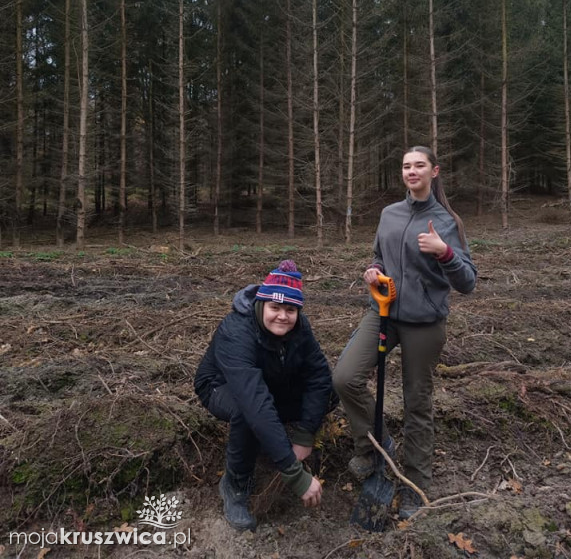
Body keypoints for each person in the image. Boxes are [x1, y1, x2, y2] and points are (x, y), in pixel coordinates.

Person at [333, 145, 477, 519]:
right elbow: (380, 256)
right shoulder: (389, 214)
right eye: (406, 167)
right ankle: (375, 444)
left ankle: (415, 483)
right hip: (383, 312)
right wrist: (372, 270)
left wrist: (444, 251)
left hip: (425, 323)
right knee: (345, 377)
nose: (412, 172)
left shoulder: (446, 221)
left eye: (419, 166)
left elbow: (468, 282)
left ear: (434, 172)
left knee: (417, 402)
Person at [194, 259, 333, 531]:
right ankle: (235, 482)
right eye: (275, 308)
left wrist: (305, 435)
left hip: (269, 381)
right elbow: (254, 401)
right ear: (261, 305)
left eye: (290, 310)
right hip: (220, 387)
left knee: (331, 392)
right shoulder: (236, 331)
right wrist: (293, 472)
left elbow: (319, 377)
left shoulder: (300, 328)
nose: (282, 316)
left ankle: (282, 439)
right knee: (248, 412)